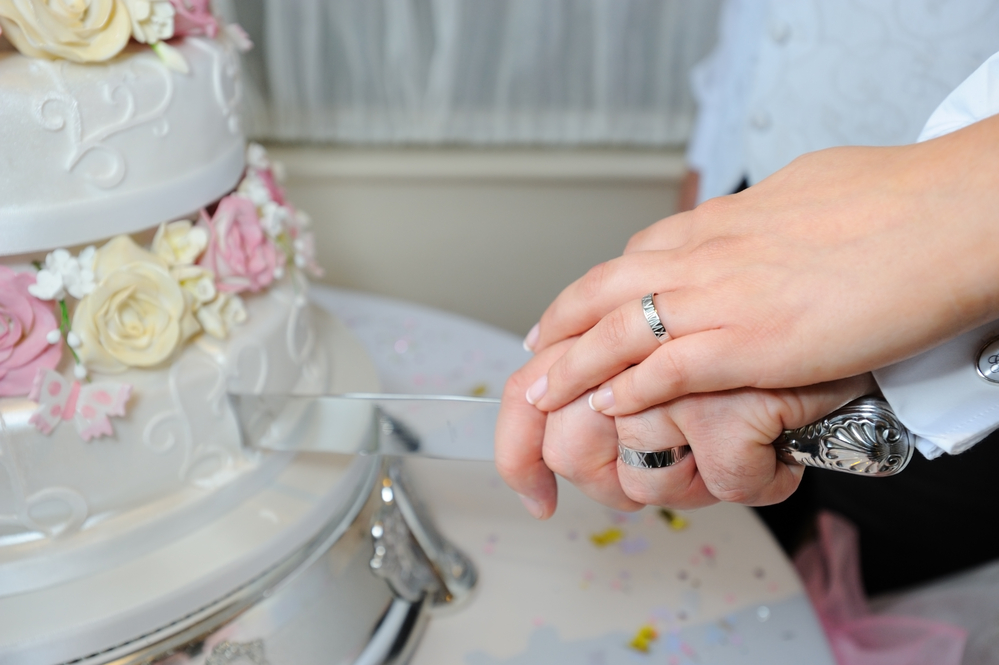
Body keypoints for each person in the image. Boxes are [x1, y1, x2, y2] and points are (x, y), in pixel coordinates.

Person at [497, 4, 999, 594]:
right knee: (747, 549)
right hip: (761, 227)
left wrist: (913, 245)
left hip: (901, 280)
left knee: (896, 571)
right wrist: (709, 193)